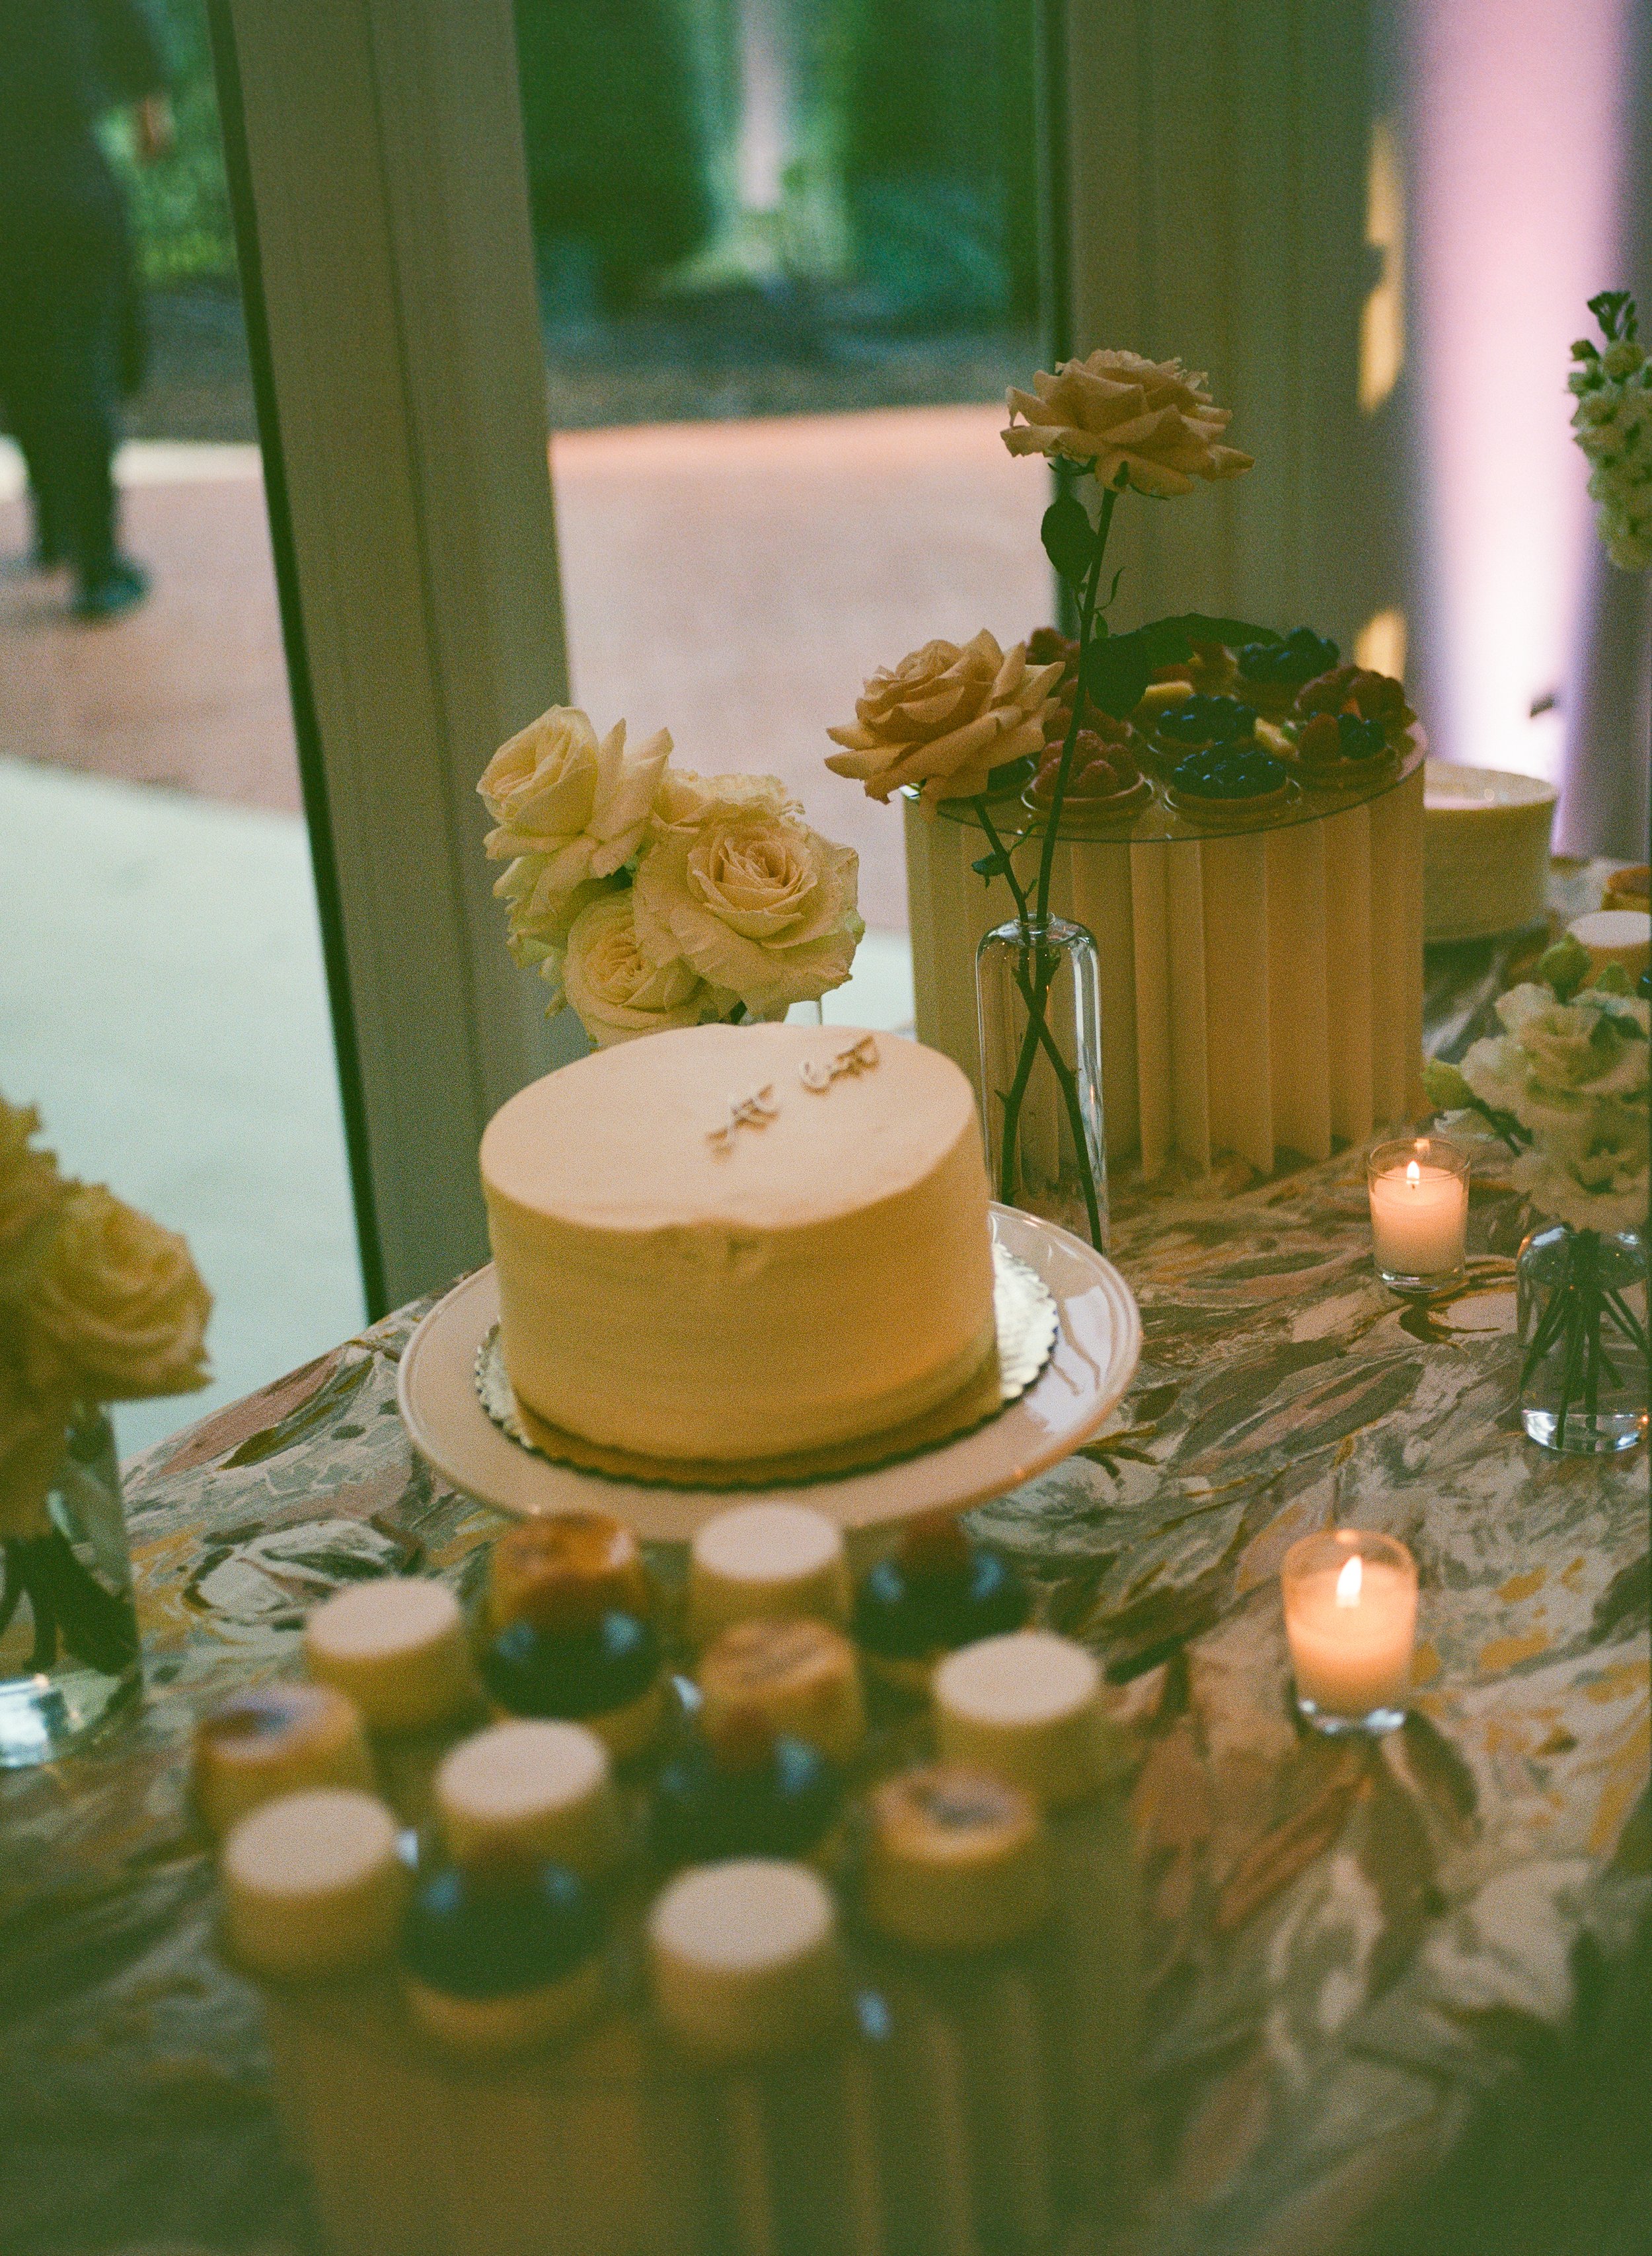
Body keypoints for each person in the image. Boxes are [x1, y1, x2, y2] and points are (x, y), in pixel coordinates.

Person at [0, 0, 172, 620]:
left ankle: (54, 528)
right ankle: (98, 564)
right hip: (64, 177)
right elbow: (135, 41)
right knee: (81, 360)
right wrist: (149, 110)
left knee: (19, 357)